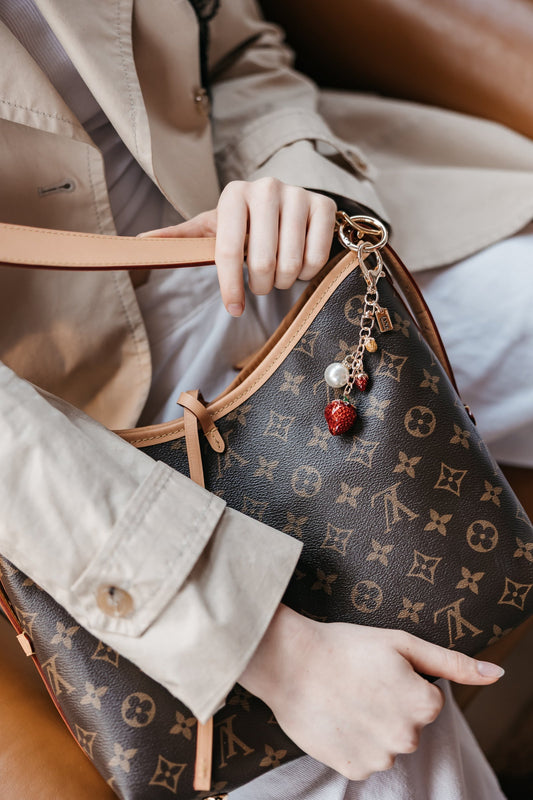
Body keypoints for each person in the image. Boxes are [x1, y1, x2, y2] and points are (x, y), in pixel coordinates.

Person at [1, 0, 532, 797]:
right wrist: (270, 649)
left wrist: (293, 177)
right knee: (368, 756)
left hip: (268, 235)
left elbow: (234, 45)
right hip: (67, 421)